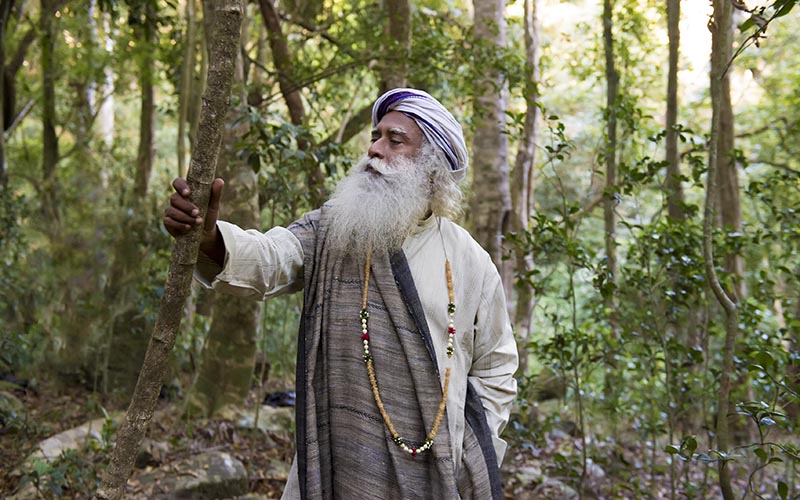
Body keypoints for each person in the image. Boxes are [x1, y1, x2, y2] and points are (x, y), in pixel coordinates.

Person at [164, 88, 518, 500]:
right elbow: (270, 258)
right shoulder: (334, 229)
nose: (374, 149)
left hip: (434, 474)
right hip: (337, 464)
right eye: (375, 136)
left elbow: (496, 369)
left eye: (394, 139)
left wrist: (466, 450)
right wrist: (209, 238)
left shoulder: (471, 262)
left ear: (432, 165)